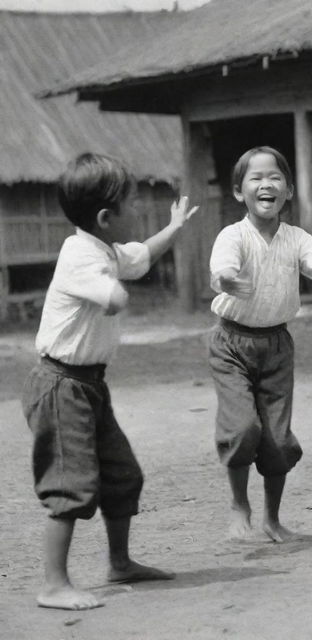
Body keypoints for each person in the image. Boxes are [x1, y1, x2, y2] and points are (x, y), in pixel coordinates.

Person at [22, 152, 199, 611]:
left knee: (123, 474)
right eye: (132, 203)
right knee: (71, 481)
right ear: (105, 218)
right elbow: (106, 288)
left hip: (89, 386)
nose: (139, 210)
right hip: (60, 386)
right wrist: (116, 296)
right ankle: (53, 583)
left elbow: (137, 258)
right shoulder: (80, 254)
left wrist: (174, 229)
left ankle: (119, 562)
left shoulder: (103, 248)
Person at [208, 146, 312, 542]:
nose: (266, 184)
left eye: (275, 177)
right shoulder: (233, 235)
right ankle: (238, 504)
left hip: (277, 345)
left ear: (289, 190)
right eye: (256, 178)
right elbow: (222, 268)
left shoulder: (296, 238)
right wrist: (228, 280)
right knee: (243, 428)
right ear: (238, 191)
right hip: (232, 342)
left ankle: (273, 518)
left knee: (277, 440)